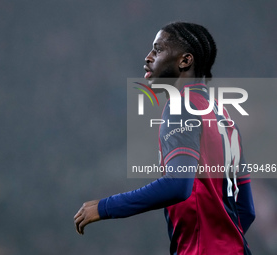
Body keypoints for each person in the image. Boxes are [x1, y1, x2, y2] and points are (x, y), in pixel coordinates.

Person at [74, 22, 255, 255]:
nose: (148, 57)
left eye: (158, 50)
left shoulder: (181, 106)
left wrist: (105, 206)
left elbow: (177, 184)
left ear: (185, 60)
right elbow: (247, 210)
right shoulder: (226, 119)